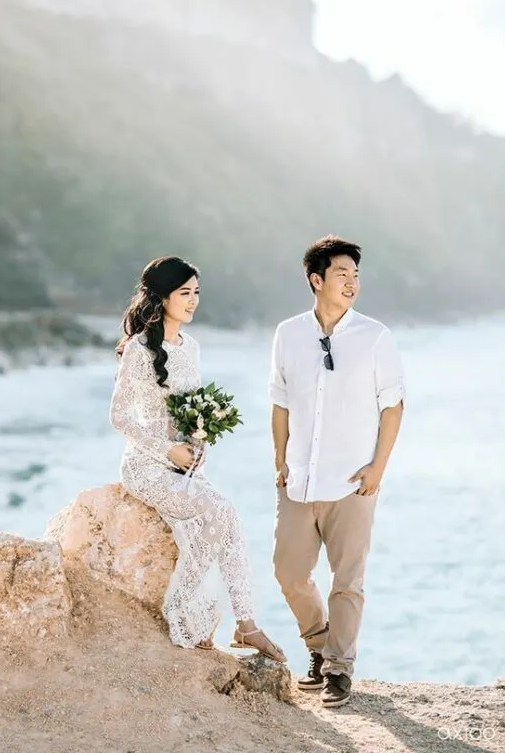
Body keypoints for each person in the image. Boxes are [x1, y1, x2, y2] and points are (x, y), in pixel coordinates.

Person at [110, 255, 286, 660]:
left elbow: (191, 411)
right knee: (222, 511)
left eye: (196, 293)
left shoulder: (191, 347)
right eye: (184, 293)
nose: (193, 301)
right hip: (145, 466)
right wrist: (167, 448)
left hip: (184, 466)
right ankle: (206, 614)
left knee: (225, 524)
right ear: (162, 297)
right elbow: (118, 416)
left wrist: (196, 444)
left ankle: (244, 625)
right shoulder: (139, 350)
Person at [270, 236, 405, 707]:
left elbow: (393, 407)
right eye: (341, 275)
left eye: (356, 276)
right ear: (316, 280)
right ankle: (319, 645)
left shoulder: (375, 337)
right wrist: (280, 460)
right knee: (288, 572)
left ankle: (339, 670)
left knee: (347, 580)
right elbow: (280, 403)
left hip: (353, 483)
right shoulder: (288, 334)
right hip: (299, 481)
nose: (351, 284)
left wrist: (377, 469)